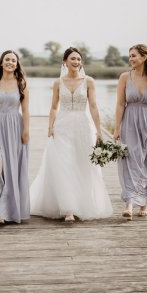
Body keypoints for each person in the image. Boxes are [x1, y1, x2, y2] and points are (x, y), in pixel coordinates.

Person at [30, 47, 113, 222]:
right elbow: (53, 107)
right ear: (65, 61)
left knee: (82, 163)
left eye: (78, 59)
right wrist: (50, 127)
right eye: (72, 59)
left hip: (83, 126)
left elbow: (93, 107)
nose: (76, 62)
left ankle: (82, 203)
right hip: (62, 126)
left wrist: (99, 131)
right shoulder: (58, 82)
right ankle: (68, 209)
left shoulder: (89, 81)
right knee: (65, 164)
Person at [113, 44, 147, 220]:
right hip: (129, 123)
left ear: (144, 57)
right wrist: (117, 128)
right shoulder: (124, 77)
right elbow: (120, 104)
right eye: (129, 56)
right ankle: (129, 202)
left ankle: (145, 202)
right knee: (130, 160)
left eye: (134, 56)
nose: (130, 59)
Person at [0, 50, 30, 226]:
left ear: (17, 64)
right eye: (7, 59)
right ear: (1, 63)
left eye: (13, 60)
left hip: (15, 128)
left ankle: (10, 208)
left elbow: (25, 109)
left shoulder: (21, 83)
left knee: (10, 170)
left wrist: (26, 131)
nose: (10, 62)